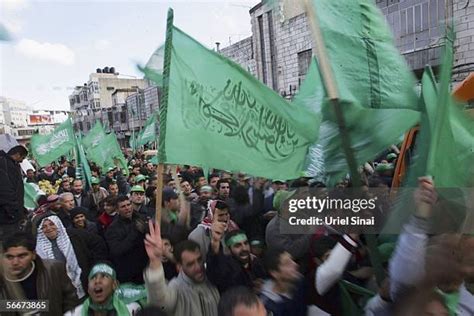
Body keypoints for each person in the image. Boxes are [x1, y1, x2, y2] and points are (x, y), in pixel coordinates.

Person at [144, 221, 220, 316]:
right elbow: (159, 304)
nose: (198, 267)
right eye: (190, 264)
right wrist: (155, 261)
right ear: (179, 267)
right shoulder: (176, 289)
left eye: (199, 259)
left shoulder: (211, 280)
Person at [0, 232, 79, 315]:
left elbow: (70, 300)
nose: (15, 262)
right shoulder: (2, 279)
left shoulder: (53, 269)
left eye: (22, 256)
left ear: (33, 254)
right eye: (9, 257)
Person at [36, 215, 92, 298]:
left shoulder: (73, 239)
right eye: (44, 227)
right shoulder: (38, 249)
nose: (48, 228)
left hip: (82, 282)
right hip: (57, 289)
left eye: (51, 224)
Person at [65, 263, 141, 316]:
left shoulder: (132, 310)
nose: (97, 281)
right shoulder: (73, 314)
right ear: (88, 288)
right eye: (93, 277)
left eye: (104, 276)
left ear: (115, 285)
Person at [207, 228, 266, 293]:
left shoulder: (256, 264)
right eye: (238, 246)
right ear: (228, 250)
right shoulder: (227, 270)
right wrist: (215, 243)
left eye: (246, 243)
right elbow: (215, 270)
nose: (244, 248)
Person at [105, 195, 148, 284]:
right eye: (123, 206)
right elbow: (117, 250)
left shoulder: (140, 218)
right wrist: (134, 233)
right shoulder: (112, 229)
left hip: (145, 267)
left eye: (128, 205)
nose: (127, 208)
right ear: (117, 210)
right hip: (128, 272)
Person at [260, 248, 307, 316]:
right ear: (274, 273)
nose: (295, 264)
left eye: (292, 260)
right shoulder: (268, 306)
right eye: (287, 264)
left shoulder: (299, 281)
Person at [0, 144, 28, 241]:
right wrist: (14, 212)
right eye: (22, 158)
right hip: (7, 217)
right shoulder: (4, 164)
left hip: (12, 214)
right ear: (17, 154)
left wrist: (21, 209)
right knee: (10, 244)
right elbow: (6, 191)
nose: (22, 161)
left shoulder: (11, 164)